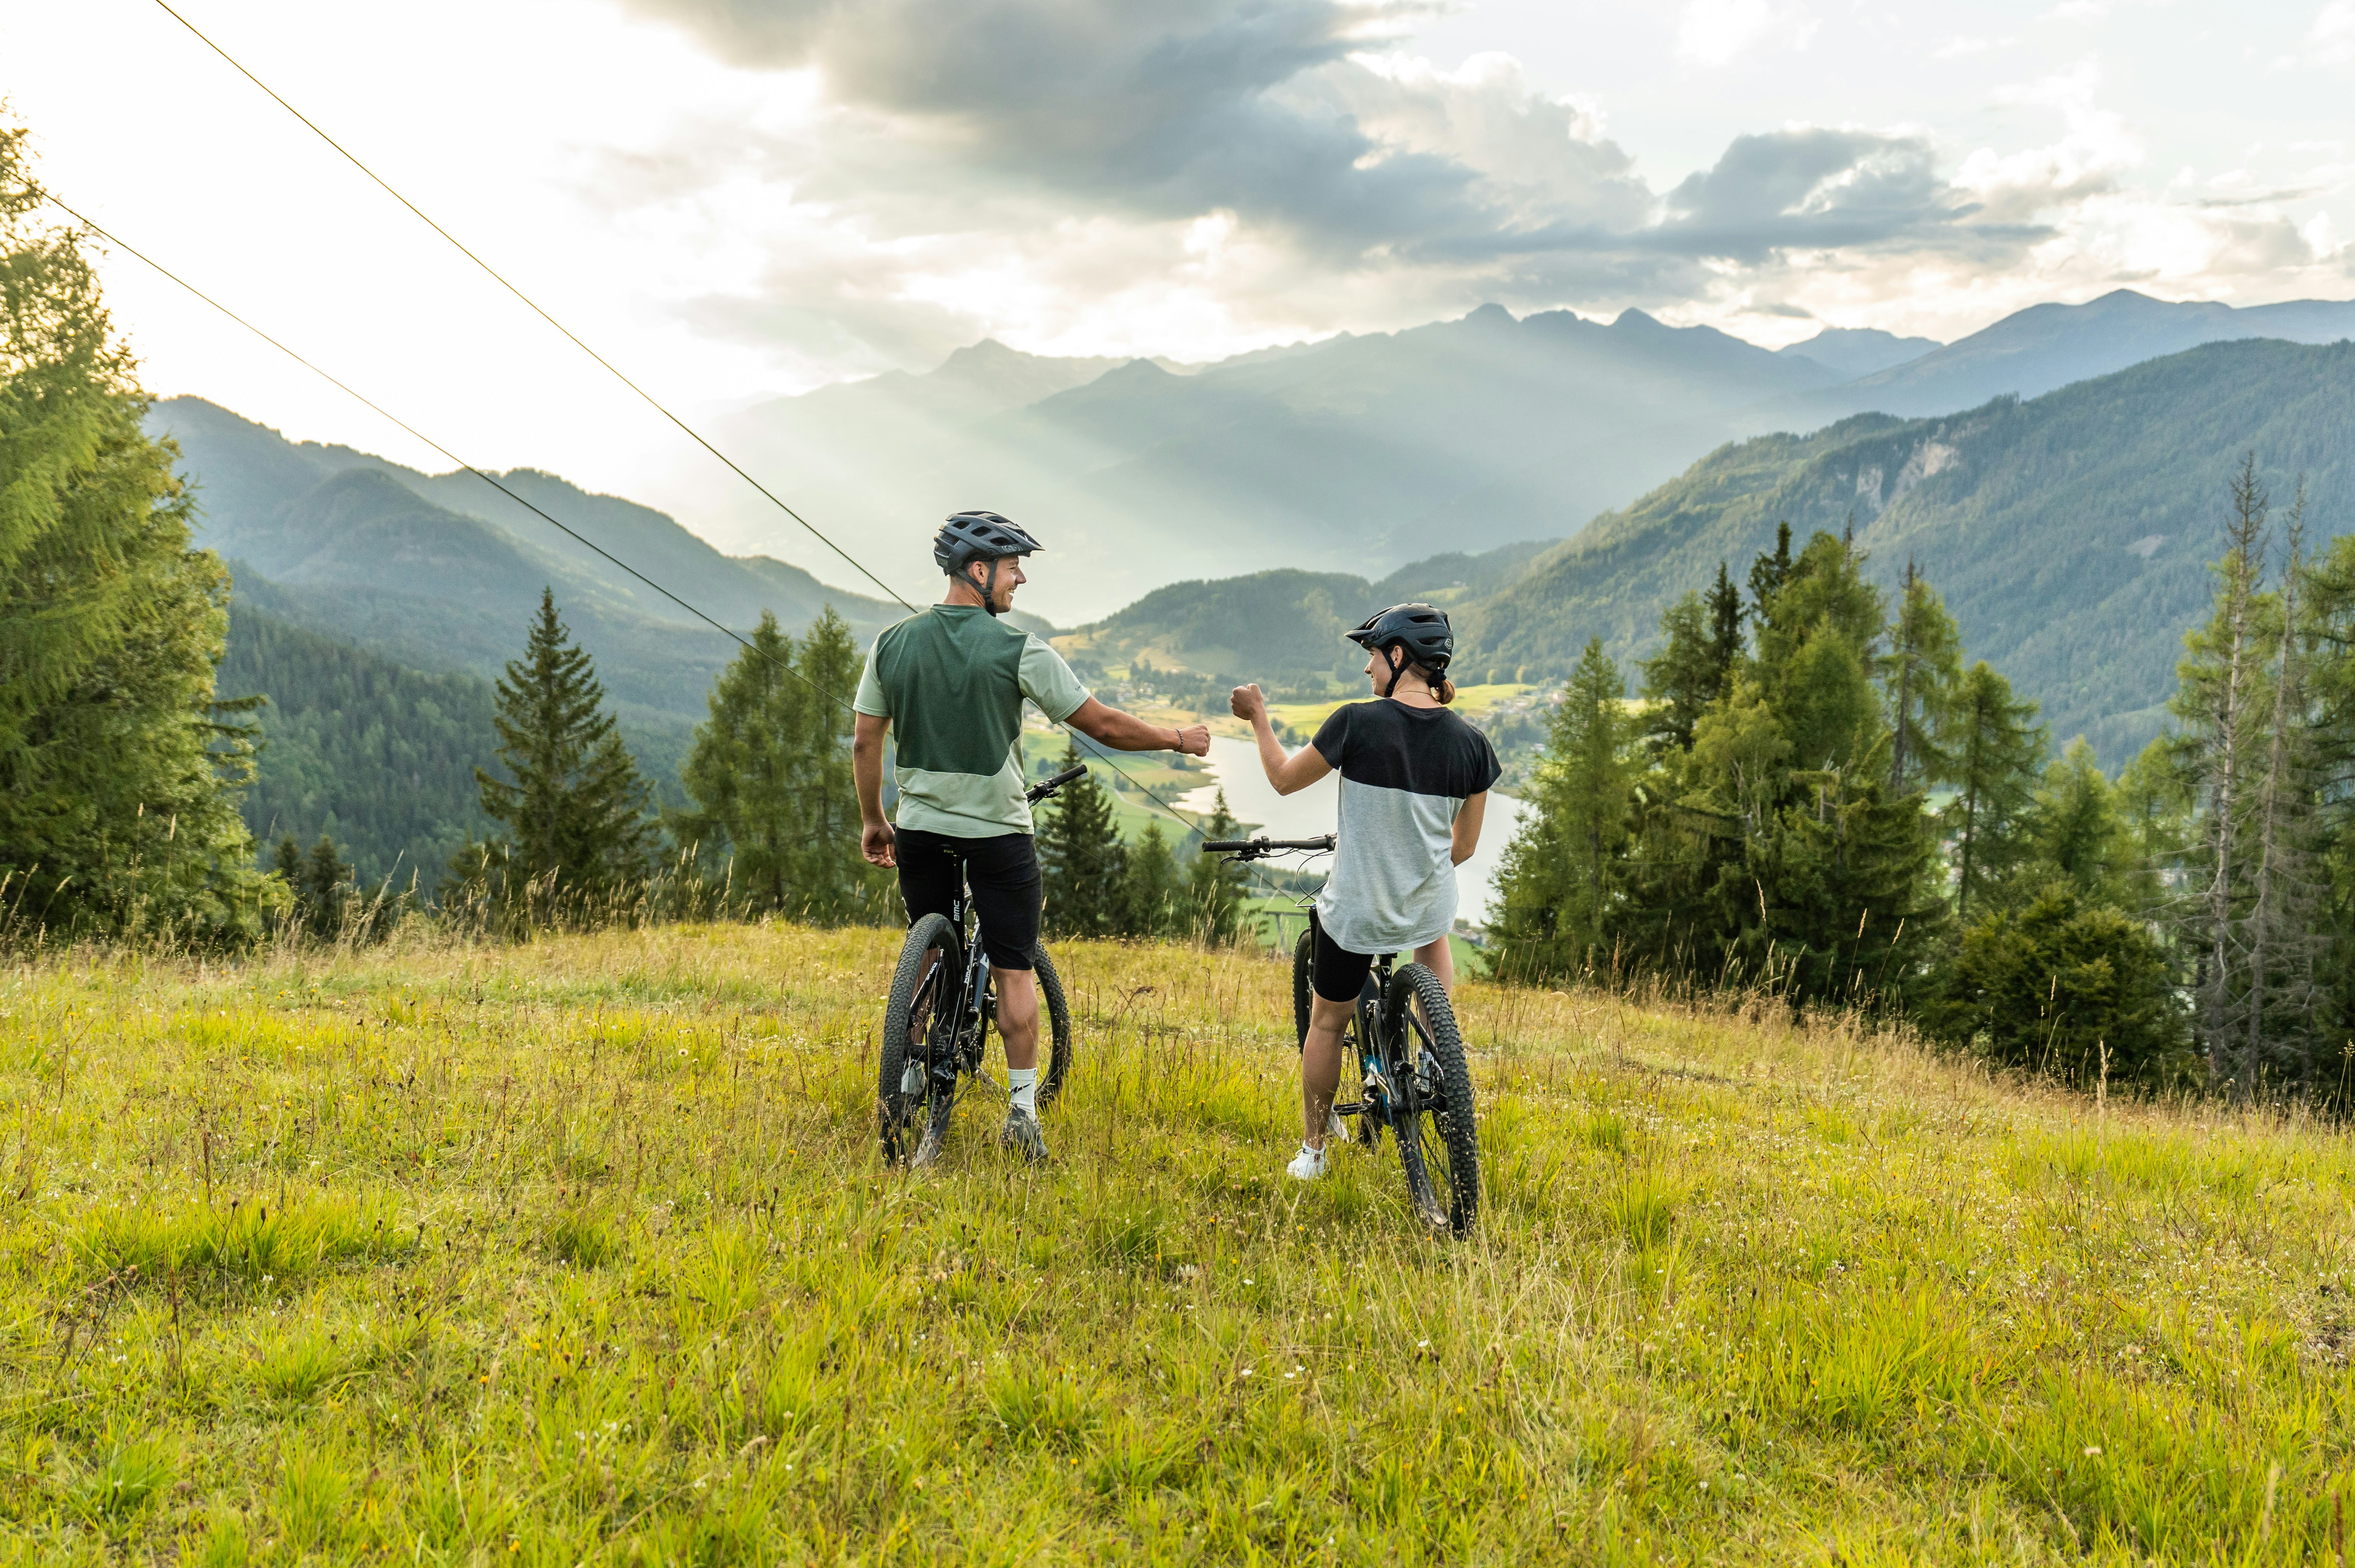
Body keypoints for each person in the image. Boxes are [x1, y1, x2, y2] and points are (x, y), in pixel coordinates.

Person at [853, 511, 1209, 1164]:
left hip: (921, 830)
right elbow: (1100, 724)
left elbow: (865, 739)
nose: (1019, 580)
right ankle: (1021, 1112)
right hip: (997, 835)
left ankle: (907, 1074)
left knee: (931, 955)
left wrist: (876, 820)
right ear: (979, 571)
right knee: (1014, 968)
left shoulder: (890, 642)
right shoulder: (1019, 648)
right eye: (1013, 567)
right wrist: (1177, 739)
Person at [1228, 603, 1498, 1181]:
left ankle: (1313, 1153)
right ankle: (1431, 1059)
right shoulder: (1473, 744)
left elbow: (1280, 778)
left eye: (1372, 656)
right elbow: (1464, 848)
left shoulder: (1356, 722)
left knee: (1326, 1023)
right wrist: (1414, 866)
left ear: (1398, 657)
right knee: (1433, 937)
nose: (1367, 670)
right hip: (1426, 908)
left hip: (1358, 911)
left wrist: (1257, 716)